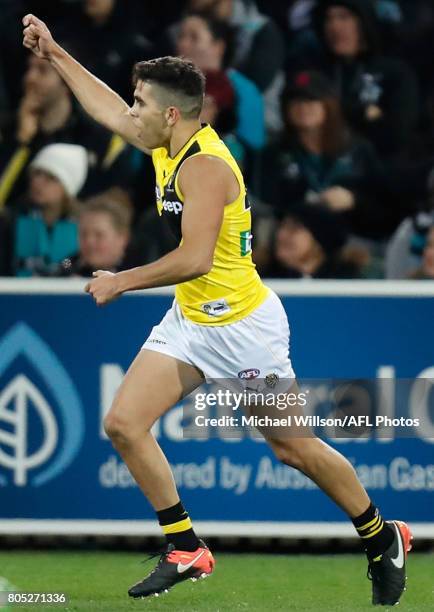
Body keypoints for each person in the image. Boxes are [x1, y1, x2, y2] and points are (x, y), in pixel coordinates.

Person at [22, 13, 412, 606]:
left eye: (141, 103)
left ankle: (382, 535)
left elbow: (196, 258)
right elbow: (104, 107)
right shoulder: (161, 140)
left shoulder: (205, 165)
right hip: (192, 321)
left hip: (242, 329)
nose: (132, 111)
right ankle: (186, 548)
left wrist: (121, 281)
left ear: (171, 114)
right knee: (124, 424)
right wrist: (54, 53)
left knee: (292, 448)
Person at [265, 71, 395, 241]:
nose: (303, 107)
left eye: (312, 99)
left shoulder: (357, 150)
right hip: (291, 239)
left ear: (328, 105)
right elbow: (265, 203)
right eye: (296, 101)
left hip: (350, 238)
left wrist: (353, 200)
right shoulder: (274, 153)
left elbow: (384, 206)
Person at [0, 53, 136, 208]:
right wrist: (21, 142)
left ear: (66, 81)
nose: (30, 78)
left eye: (42, 70)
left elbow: (112, 206)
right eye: (29, 68)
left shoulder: (99, 138)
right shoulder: (9, 129)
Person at [307, 0, 419, 162]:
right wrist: (364, 113)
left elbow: (397, 133)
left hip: (381, 167)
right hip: (327, 165)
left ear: (363, 23)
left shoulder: (396, 72)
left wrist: (338, 112)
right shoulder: (317, 72)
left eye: (343, 17)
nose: (334, 26)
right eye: (328, 19)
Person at [7, 143, 87, 276]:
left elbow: (71, 264)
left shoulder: (84, 227)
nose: (38, 182)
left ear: (67, 189)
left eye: (51, 178)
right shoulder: (10, 221)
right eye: (37, 173)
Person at [62, 195, 131, 276]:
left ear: (122, 238)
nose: (89, 241)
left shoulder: (140, 271)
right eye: (84, 234)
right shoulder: (67, 268)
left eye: (99, 235)